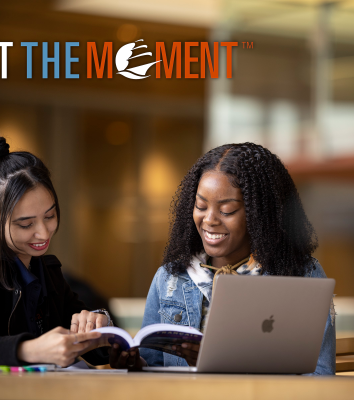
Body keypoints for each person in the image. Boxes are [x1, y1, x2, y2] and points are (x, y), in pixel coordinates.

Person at [110, 142, 335, 374]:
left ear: (260, 214)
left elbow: (319, 376)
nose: (209, 220)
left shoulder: (300, 276)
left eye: (226, 211)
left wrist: (217, 365)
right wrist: (134, 365)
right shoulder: (170, 279)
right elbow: (152, 369)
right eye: (200, 206)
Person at [0, 137, 111, 367]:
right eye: (26, 224)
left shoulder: (48, 273)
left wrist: (100, 323)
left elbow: (95, 348)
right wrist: (27, 350)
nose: (43, 233)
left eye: (49, 216)